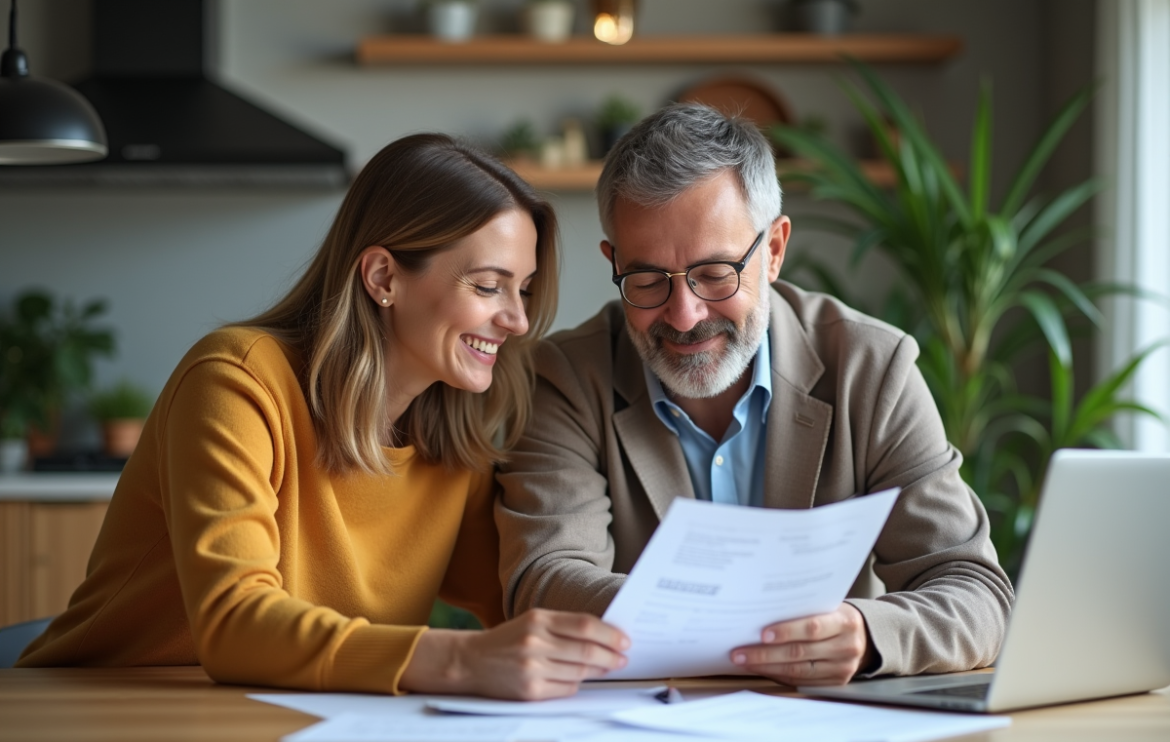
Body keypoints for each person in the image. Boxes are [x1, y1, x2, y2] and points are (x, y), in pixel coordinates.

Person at [18, 134, 629, 700]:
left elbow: (520, 602)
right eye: (489, 286)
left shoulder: (452, 437)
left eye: (522, 289)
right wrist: (461, 661)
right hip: (105, 710)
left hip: (294, 724)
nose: (518, 321)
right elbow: (233, 624)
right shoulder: (236, 382)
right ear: (384, 277)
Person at [496, 104, 1014, 687]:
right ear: (613, 263)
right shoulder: (563, 377)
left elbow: (977, 593)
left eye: (715, 273)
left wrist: (867, 635)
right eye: (647, 280)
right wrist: (745, 620)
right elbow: (543, 582)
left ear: (773, 251)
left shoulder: (873, 368)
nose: (685, 315)